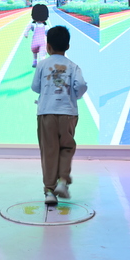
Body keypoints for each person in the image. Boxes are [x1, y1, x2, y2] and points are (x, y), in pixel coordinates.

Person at [31, 25, 87, 205]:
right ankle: (62, 181)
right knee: (67, 148)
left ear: (47, 46)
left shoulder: (42, 64)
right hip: (68, 114)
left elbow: (35, 87)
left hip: (46, 113)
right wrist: (75, 95)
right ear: (67, 46)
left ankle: (49, 191)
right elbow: (81, 85)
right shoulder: (73, 66)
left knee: (49, 151)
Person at [24, 4, 49, 68]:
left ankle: (40, 63)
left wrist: (26, 33)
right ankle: (36, 61)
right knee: (35, 51)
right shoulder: (35, 25)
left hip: (40, 43)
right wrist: (26, 32)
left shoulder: (45, 26)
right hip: (38, 42)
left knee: (40, 54)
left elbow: (49, 34)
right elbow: (28, 27)